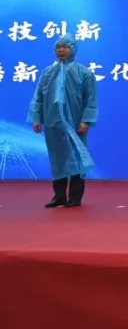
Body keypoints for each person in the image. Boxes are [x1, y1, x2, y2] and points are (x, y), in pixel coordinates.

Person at [27, 34, 98, 208]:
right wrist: (37, 118)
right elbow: (39, 96)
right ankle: (59, 196)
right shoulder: (48, 72)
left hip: (76, 123)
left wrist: (86, 120)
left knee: (77, 157)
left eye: (65, 47)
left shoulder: (84, 73)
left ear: (73, 49)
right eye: (58, 47)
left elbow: (91, 99)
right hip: (53, 122)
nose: (61, 50)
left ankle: (75, 197)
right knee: (57, 157)